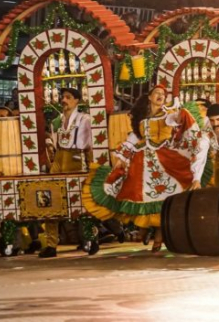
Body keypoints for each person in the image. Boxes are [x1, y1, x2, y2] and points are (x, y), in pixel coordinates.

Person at [83, 85, 208, 252]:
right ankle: (145, 229)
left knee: (165, 196)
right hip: (141, 160)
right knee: (137, 195)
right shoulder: (141, 117)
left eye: (163, 94)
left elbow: (176, 119)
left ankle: (159, 233)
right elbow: (134, 138)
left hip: (164, 159)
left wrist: (179, 112)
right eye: (157, 93)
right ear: (149, 97)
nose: (161, 96)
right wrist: (121, 159)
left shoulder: (168, 114)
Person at [40, 87, 92, 258]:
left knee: (81, 202)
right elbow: (52, 142)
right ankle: (51, 245)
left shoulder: (85, 119)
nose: (64, 100)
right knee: (51, 201)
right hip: (58, 159)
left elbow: (89, 145)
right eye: (63, 97)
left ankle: (91, 239)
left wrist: (91, 166)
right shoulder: (57, 121)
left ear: (77, 100)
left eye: (68, 97)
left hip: (77, 159)